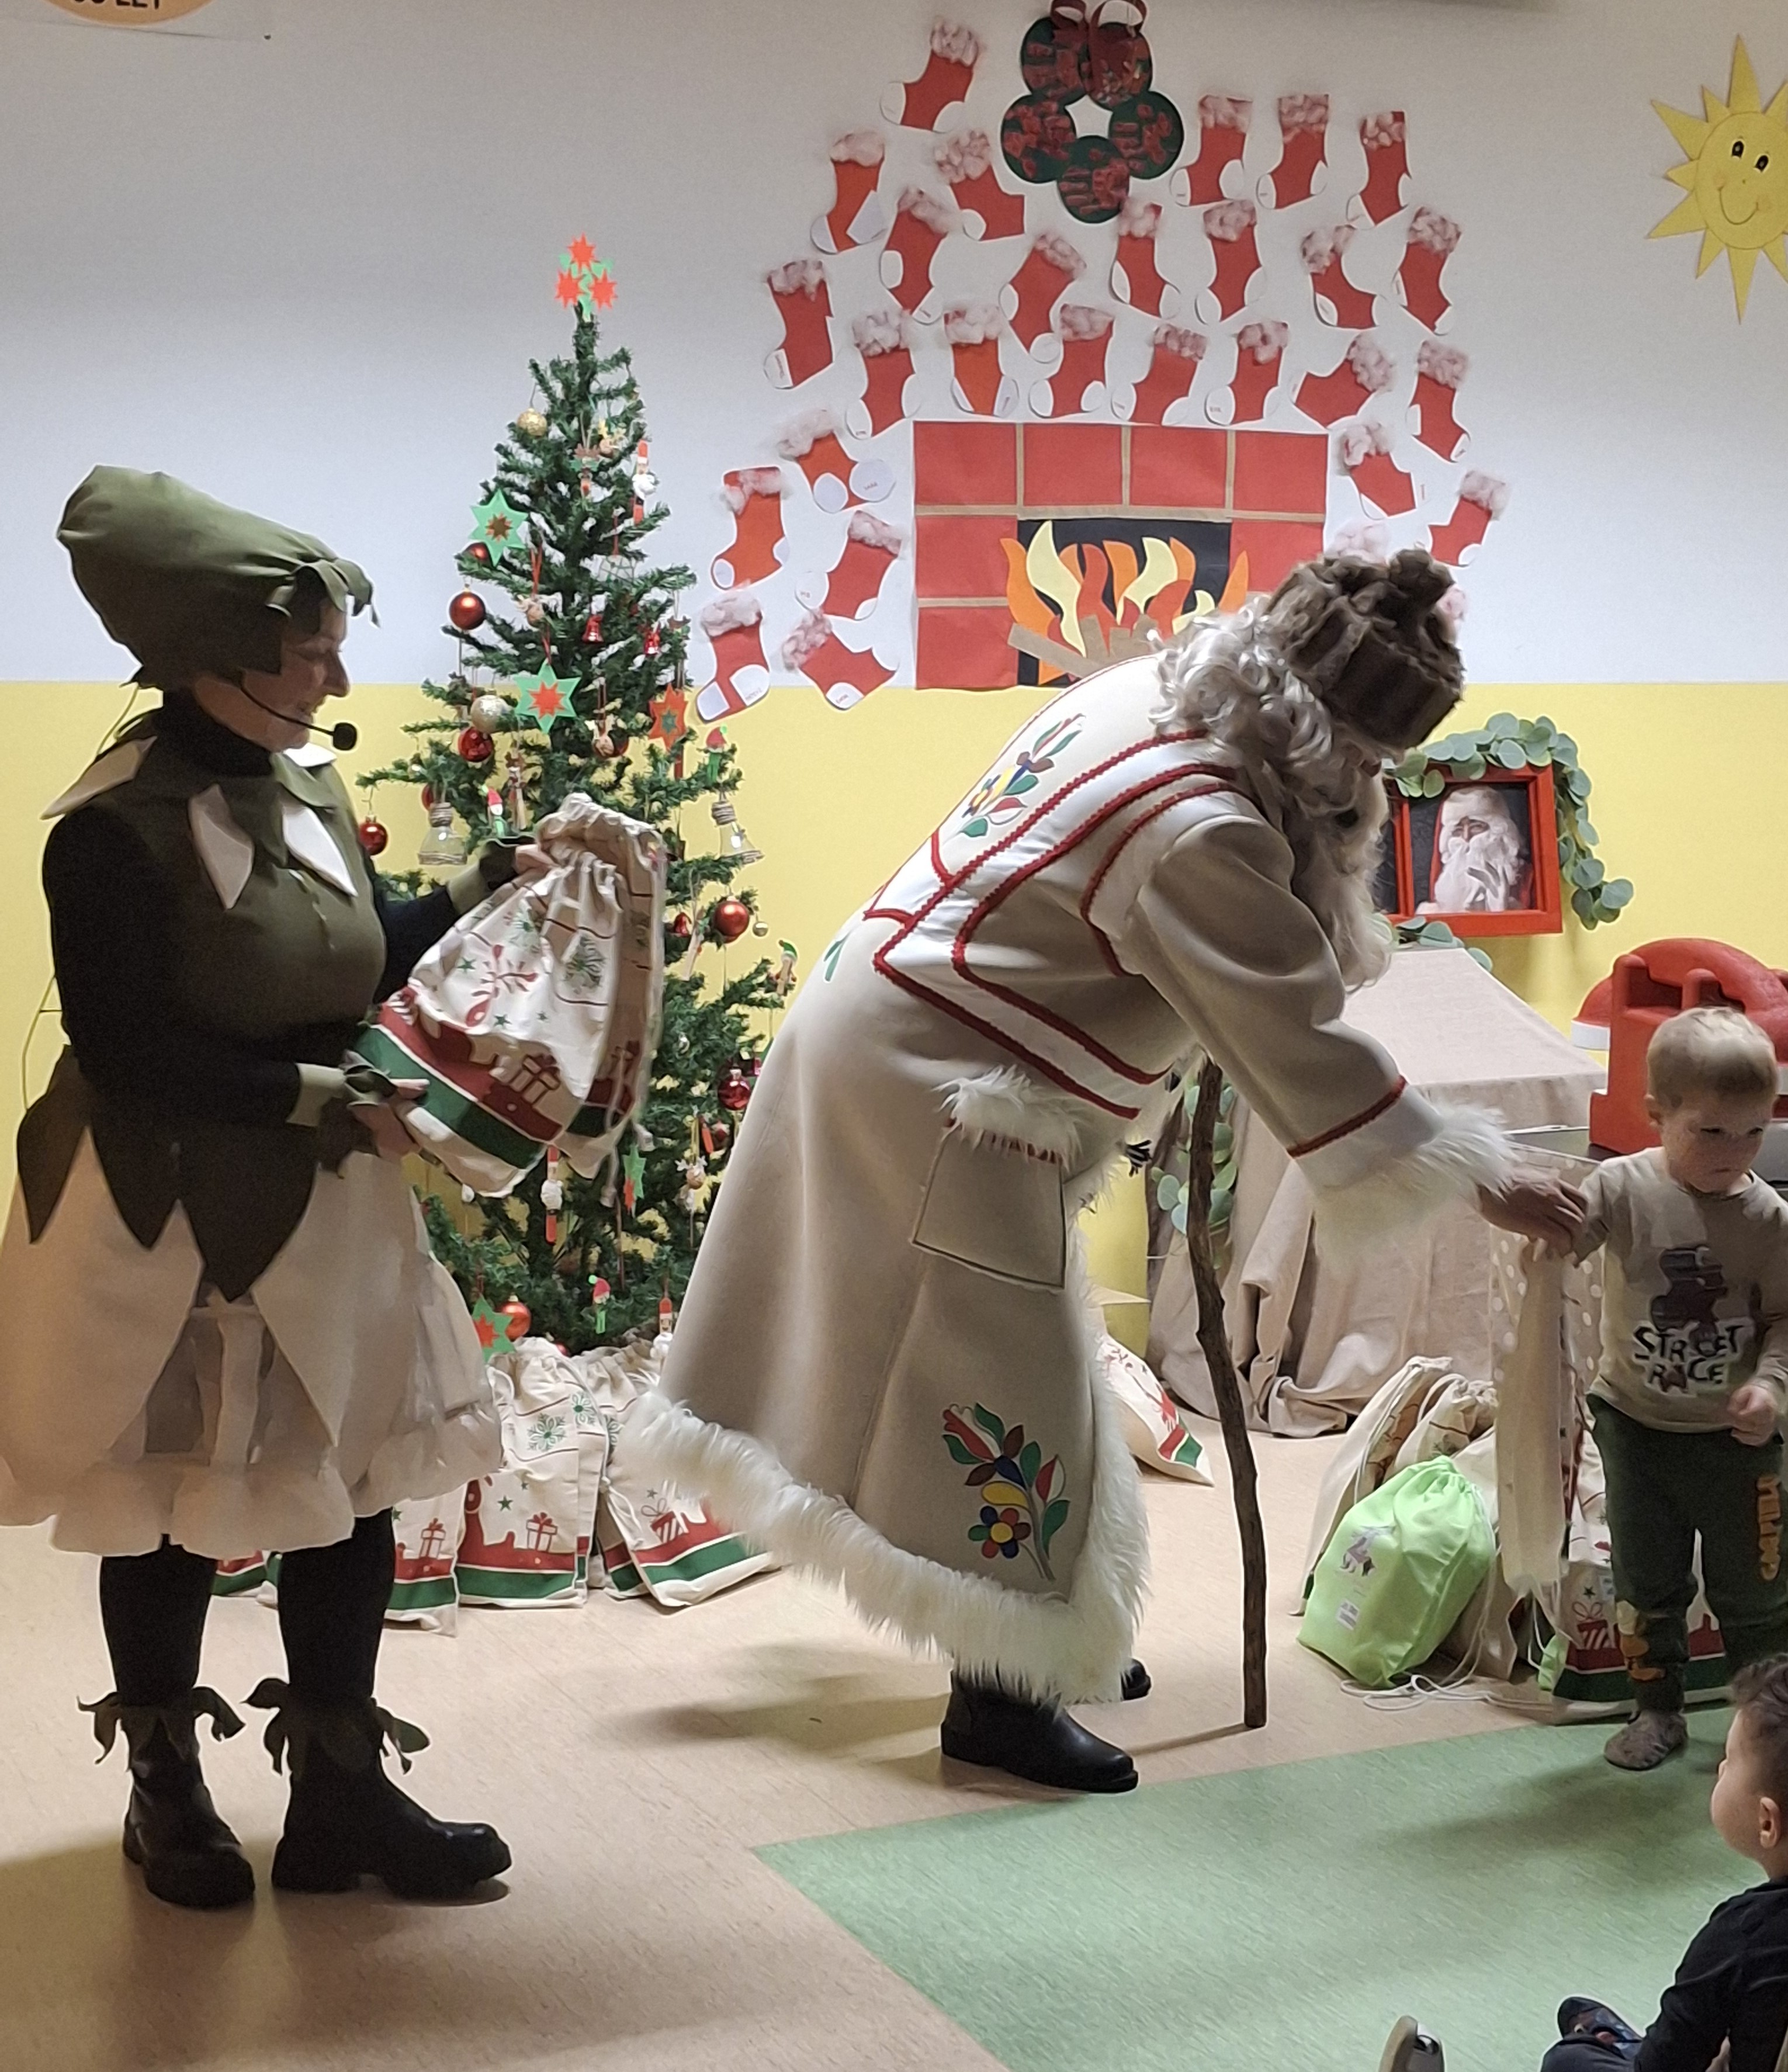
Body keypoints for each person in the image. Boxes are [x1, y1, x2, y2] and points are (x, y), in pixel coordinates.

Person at [631, 549, 1583, 1793]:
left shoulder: (1163, 690)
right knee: (1004, 1376)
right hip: (941, 1088)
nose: (1369, 787)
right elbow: (1298, 1040)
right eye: (1363, 757)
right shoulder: (1203, 826)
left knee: (1019, 1358)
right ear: (1313, 729)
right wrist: (1486, 1175)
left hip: (908, 1031)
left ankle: (1045, 1638)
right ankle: (1004, 1690)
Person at [0, 466, 533, 1908]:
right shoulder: (108, 829)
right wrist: (318, 1098)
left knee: (348, 1485)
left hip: (321, 1195)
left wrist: (479, 886)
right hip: (168, 1208)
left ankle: (339, 1797)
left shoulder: (304, 781)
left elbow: (349, 952)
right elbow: (131, 1054)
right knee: (167, 1498)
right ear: (211, 655)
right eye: (308, 653)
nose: (336, 680)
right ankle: (166, 1790)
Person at [1379, 1653, 1788, 2072]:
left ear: (1766, 1822)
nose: (1720, 1768)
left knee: (1569, 2059)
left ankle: (1612, 2045)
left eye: (1729, 1761)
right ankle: (1617, 2043)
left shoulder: (1742, 1937)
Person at [1565, 1006, 1788, 1772]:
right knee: (1645, 1581)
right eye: (1711, 1131)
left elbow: (1786, 1320)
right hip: (1636, 1428)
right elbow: (1560, 1244)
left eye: (1754, 1131)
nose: (1735, 1152)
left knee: (1758, 1591)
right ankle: (1656, 1707)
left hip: (1738, 1445)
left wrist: (1771, 1388)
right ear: (1656, 1113)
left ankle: (1765, 1726)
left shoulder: (1769, 1219)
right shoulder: (1621, 1188)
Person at [1420, 781, 1531, 913]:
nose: (1466, 838)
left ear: (1500, 831)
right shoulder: (1431, 911)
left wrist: (1499, 911)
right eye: (1458, 830)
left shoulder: (1530, 880)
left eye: (1476, 827)